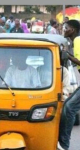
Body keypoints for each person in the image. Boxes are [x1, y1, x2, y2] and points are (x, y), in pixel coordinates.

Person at [58, 19, 80, 150]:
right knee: (67, 106)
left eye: (66, 28)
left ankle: (64, 144)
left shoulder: (77, 40)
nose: (64, 30)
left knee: (69, 108)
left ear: (72, 29)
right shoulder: (75, 41)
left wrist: (69, 56)